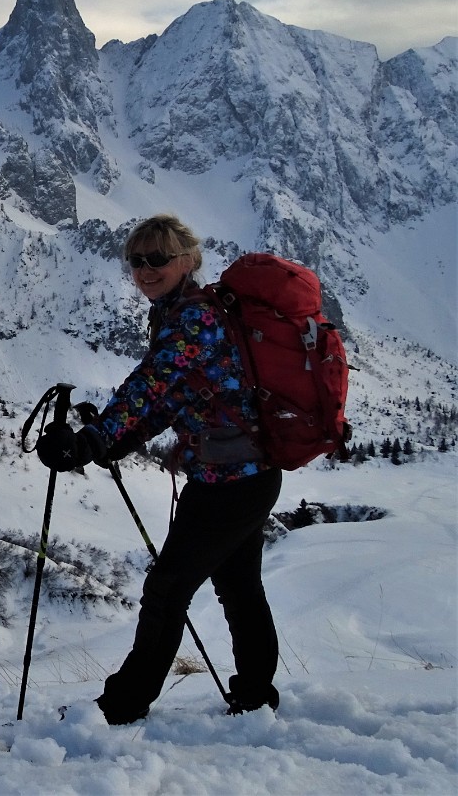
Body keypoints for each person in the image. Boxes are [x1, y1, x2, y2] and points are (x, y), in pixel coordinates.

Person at [35, 213, 283, 725]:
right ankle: (256, 696)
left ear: (187, 261)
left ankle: (123, 704)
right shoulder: (180, 312)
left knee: (168, 588)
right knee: (239, 587)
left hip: (230, 484)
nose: (146, 269)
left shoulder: (192, 318)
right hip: (242, 476)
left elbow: (150, 384)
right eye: (137, 261)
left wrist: (92, 440)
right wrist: (109, 442)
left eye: (158, 258)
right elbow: (170, 401)